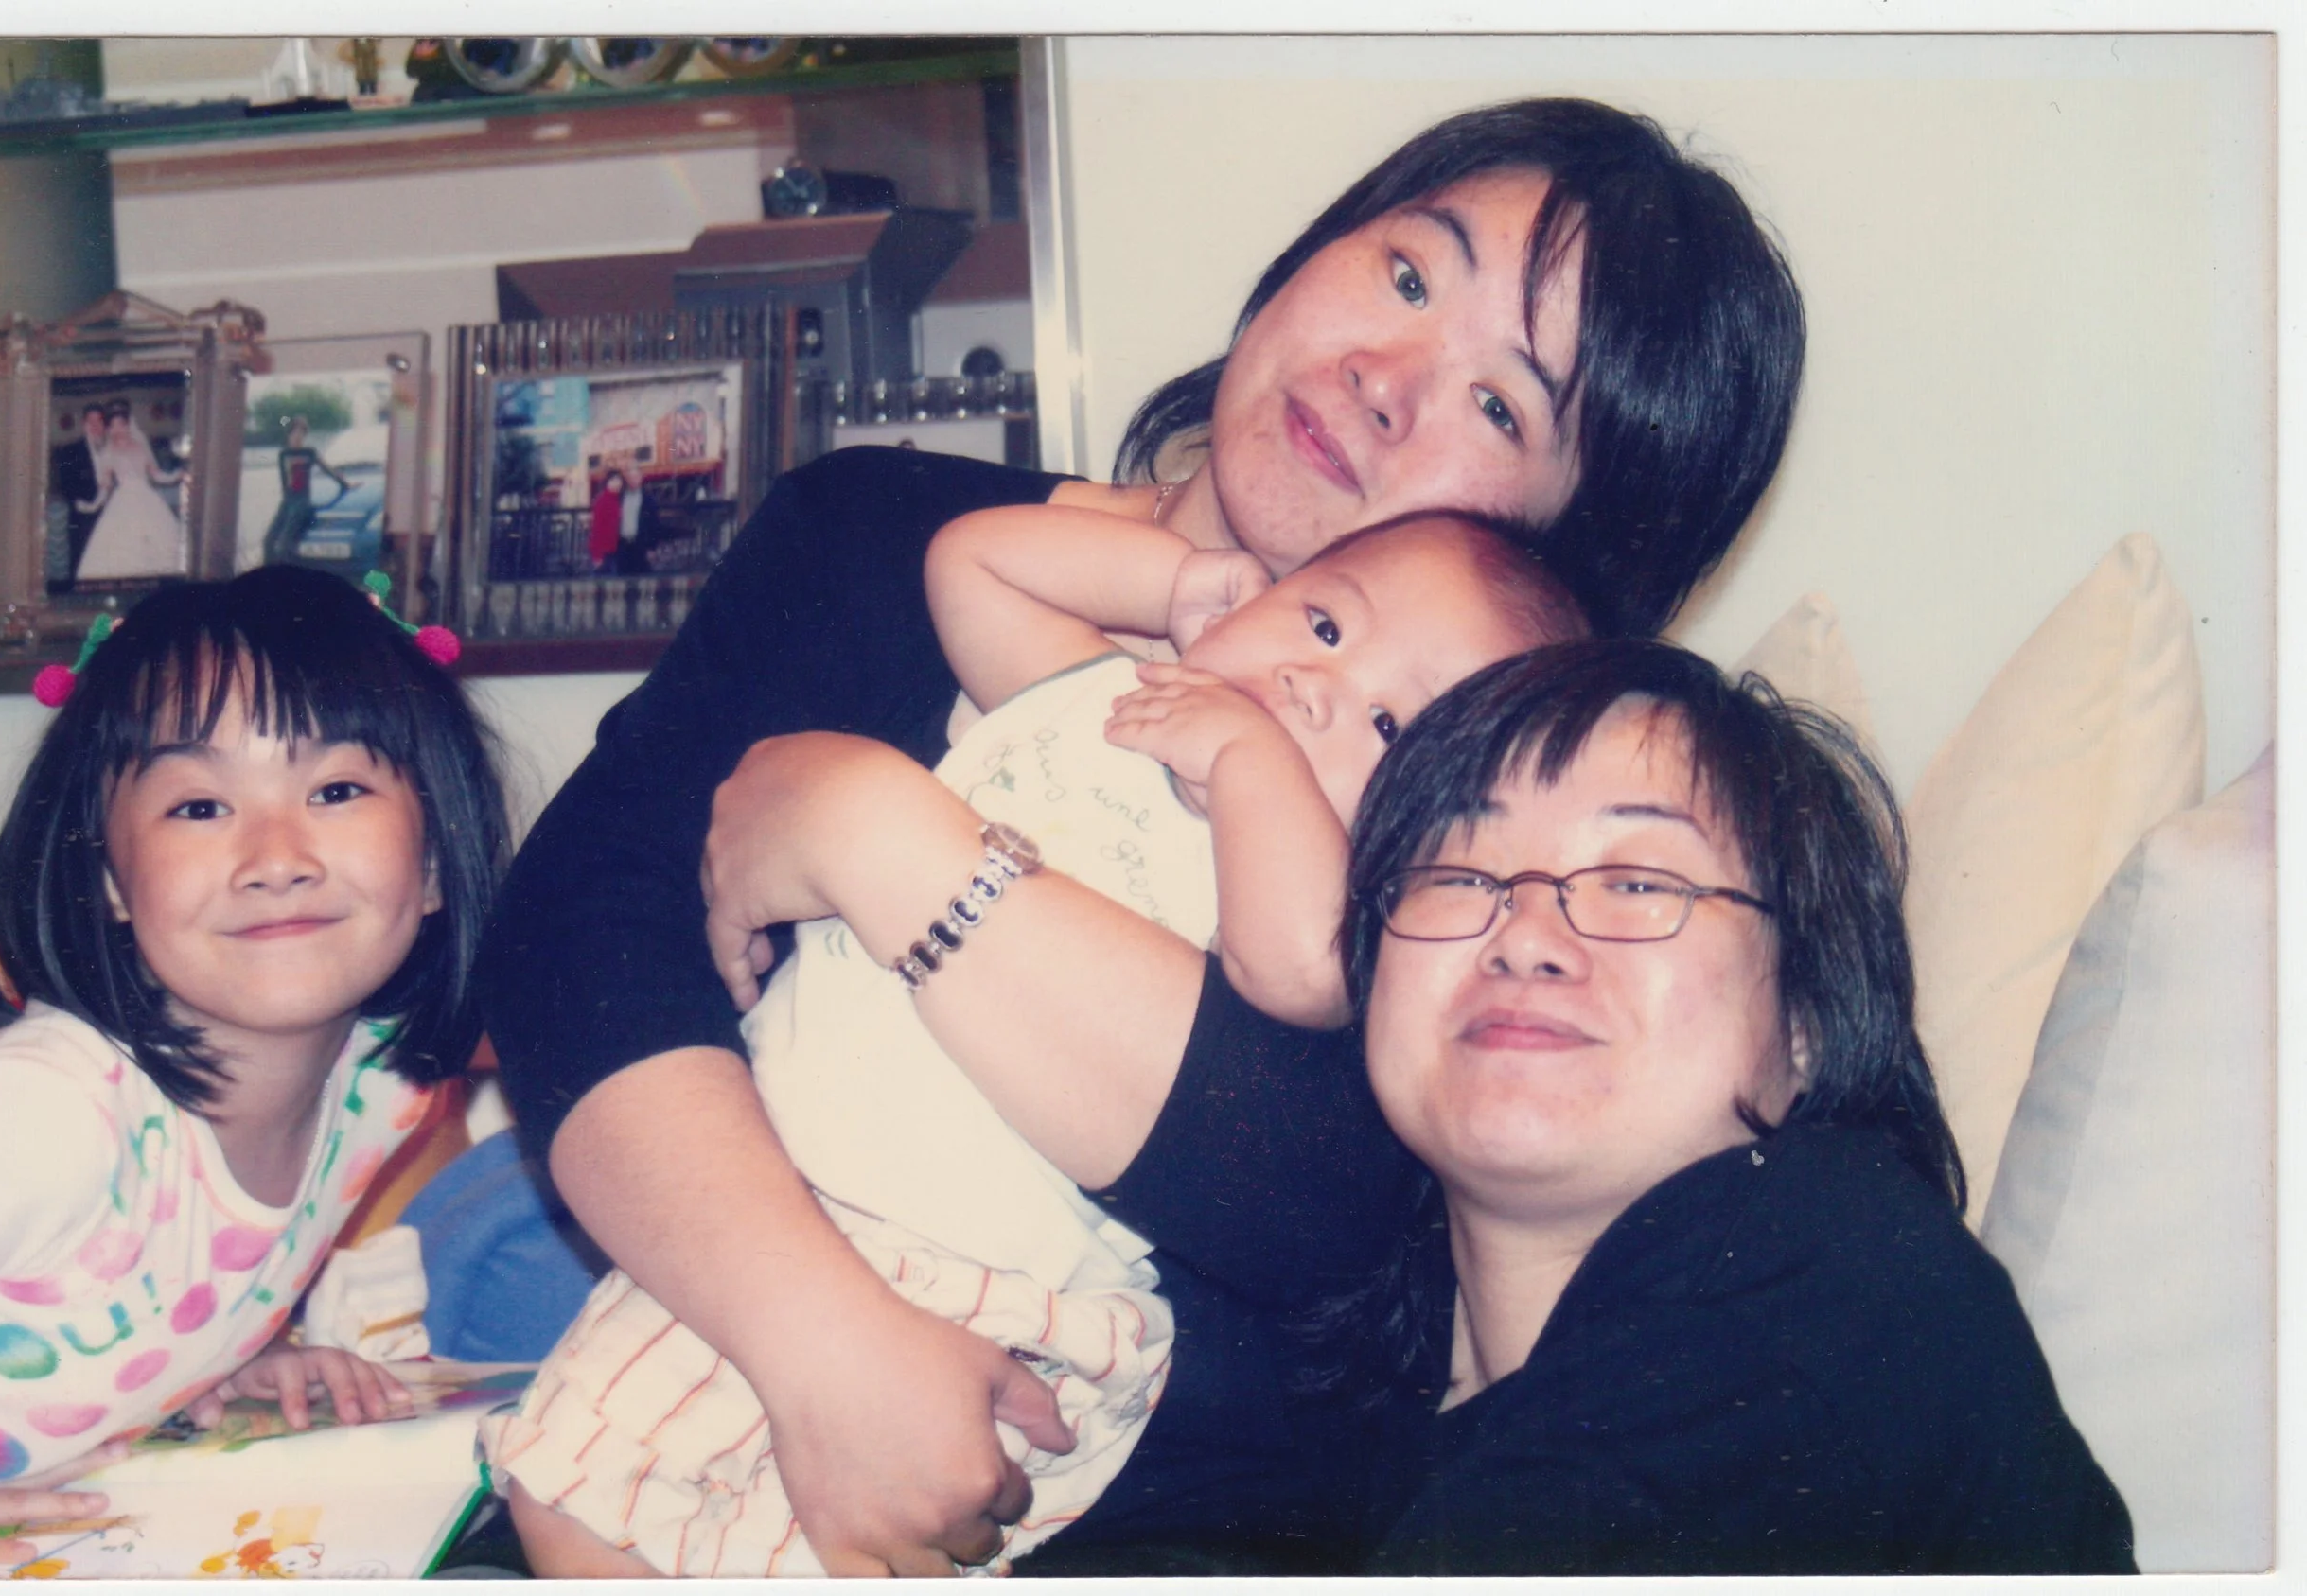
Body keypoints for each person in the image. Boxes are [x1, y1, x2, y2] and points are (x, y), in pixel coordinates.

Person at [474, 96, 1806, 1572]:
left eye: (1502, 405)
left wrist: (874, 829)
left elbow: (1306, 1174)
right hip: (683, 1404)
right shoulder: (879, 532)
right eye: (1410, 275)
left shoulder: (1471, 836)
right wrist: (819, 1340)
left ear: (1562, 549)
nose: (1383, 377)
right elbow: (579, 939)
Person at [695, 640, 2136, 1573]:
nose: (1528, 928)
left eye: (1637, 881)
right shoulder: (1334, 1422)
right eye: (1458, 875)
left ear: (1810, 1024)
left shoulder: (1842, 1273)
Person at [489, 506, 1589, 1576]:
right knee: (565, 1482)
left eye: (1389, 724)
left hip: (986, 1285)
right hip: (773, 1194)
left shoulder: (1300, 858)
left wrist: (1251, 756)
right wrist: (1167, 583)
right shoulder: (1101, 696)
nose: (1315, 683)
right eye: (1324, 623)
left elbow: (1303, 972)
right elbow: (969, 559)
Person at [0, 566, 513, 1567]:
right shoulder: (45, 1117)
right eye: (199, 807)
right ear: (109, 882)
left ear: (435, 860)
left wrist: (221, 1351)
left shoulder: (380, 1087)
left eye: (336, 789)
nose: (277, 854)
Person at [76, 402, 191, 583]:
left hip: (147, 498)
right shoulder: (108, 453)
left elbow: (157, 475)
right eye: (112, 426)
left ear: (128, 425)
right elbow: (105, 488)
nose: (117, 429)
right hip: (123, 501)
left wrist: (176, 475)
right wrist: (92, 506)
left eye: (121, 424)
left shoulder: (141, 446)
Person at [259, 417, 352, 569]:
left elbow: (328, 470)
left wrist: (345, 483)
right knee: (268, 541)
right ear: (289, 435)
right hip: (287, 502)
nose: (298, 437)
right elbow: (286, 484)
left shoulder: (309, 453)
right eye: (295, 433)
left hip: (302, 502)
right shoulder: (284, 454)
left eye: (301, 433)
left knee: (284, 545)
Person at [48, 404, 110, 589]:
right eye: (90, 421)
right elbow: (65, 483)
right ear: (83, 424)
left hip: (111, 510)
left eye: (99, 421)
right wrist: (82, 503)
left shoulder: (113, 446)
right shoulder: (71, 450)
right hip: (83, 514)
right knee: (82, 555)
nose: (95, 426)